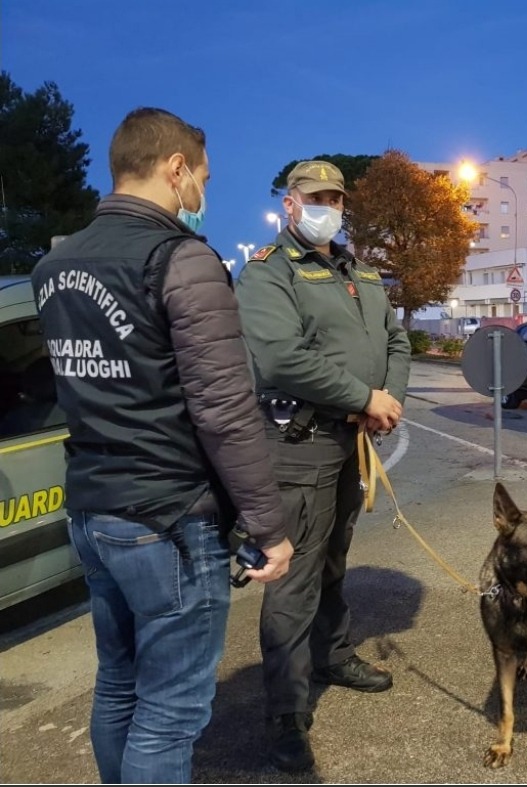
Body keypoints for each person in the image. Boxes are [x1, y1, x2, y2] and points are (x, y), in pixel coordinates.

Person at [29, 107, 293, 784]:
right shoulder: (180, 259)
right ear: (176, 169)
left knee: (118, 684)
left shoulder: (56, 265)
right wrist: (269, 524)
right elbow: (226, 411)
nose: (203, 192)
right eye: (202, 176)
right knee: (170, 712)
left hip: (92, 511)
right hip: (167, 519)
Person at [235, 160, 412, 773]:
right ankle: (285, 711)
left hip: (350, 442)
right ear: (290, 203)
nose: (327, 206)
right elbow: (281, 359)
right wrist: (363, 398)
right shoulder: (268, 272)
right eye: (315, 197)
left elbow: (396, 341)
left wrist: (386, 400)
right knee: (292, 575)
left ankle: (333, 654)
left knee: (334, 556)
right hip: (300, 444)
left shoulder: (356, 270)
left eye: (335, 197)